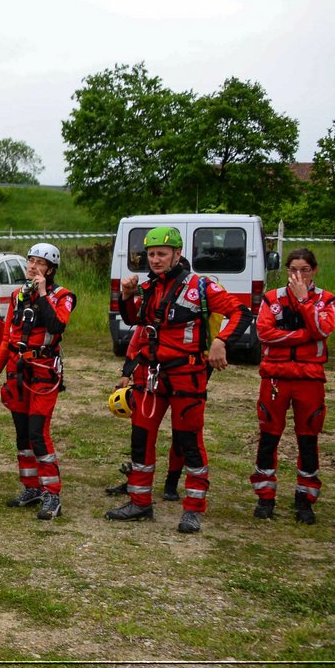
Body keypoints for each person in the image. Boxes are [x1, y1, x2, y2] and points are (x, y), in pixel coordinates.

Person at [106, 226, 249, 534]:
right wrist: (126, 296)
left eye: (161, 254)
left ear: (177, 254)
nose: (155, 260)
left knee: (189, 442)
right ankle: (140, 502)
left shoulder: (200, 286)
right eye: (151, 254)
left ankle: (194, 508)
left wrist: (221, 341)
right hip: (151, 376)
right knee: (141, 439)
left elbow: (241, 312)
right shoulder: (149, 286)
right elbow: (135, 321)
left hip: (187, 376)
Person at [0, 243, 76, 519]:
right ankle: (31, 487)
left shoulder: (63, 296)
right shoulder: (16, 296)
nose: (33, 266)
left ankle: (52, 494)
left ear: (50, 270)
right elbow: (6, 338)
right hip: (18, 370)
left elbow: (56, 325)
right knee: (23, 434)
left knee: (39, 433)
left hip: (44, 372)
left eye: (40, 263)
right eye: (31, 261)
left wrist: (41, 293)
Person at [249, 249, 335, 523]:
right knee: (269, 435)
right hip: (275, 376)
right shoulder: (272, 298)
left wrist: (303, 301)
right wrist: (302, 335)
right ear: (286, 270)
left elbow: (323, 330)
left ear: (314, 270)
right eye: (293, 269)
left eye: (305, 270)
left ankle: (305, 499)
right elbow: (264, 333)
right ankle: (265, 497)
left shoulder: (326, 299)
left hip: (309, 378)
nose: (298, 275)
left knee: (308, 438)